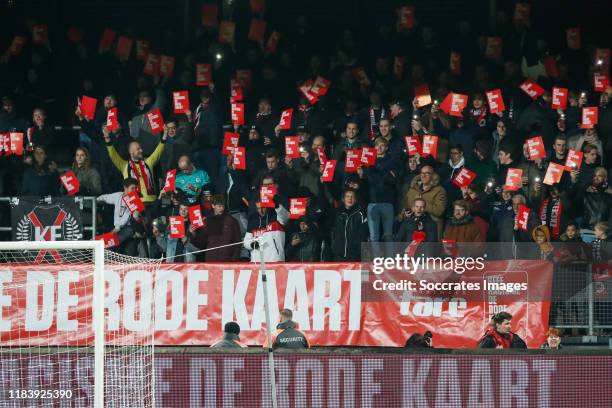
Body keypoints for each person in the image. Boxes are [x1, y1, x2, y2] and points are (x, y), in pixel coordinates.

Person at [104, 127, 166, 204]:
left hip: (152, 202)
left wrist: (165, 135)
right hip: (135, 203)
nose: (141, 151)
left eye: (141, 148)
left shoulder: (148, 162)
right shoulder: (124, 166)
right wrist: (107, 138)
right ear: (131, 152)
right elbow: (113, 155)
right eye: (138, 149)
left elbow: (158, 151)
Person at [243, 179, 290, 262]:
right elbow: (246, 242)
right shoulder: (253, 221)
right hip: (257, 262)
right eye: (258, 208)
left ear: (267, 206)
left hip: (275, 260)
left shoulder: (275, 216)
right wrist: (251, 244)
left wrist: (277, 206)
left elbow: (285, 219)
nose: (261, 210)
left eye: (263, 208)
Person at [193, 195, 242, 262]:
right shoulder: (207, 221)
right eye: (219, 206)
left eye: (223, 206)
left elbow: (238, 242)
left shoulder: (232, 221)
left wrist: (234, 260)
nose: (221, 209)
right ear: (213, 206)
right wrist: (194, 232)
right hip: (211, 260)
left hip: (228, 261)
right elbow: (200, 243)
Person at [402, 165, 447, 237]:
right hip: (413, 225)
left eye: (427, 173)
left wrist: (423, 204)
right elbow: (405, 205)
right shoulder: (413, 188)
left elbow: (439, 211)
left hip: (431, 227)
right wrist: (404, 214)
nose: (423, 176)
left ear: (433, 175)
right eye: (422, 173)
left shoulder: (439, 190)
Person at [331, 189, 368, 261]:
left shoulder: (361, 213)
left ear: (355, 200)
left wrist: (356, 251)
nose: (350, 199)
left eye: (352, 197)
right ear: (343, 199)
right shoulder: (337, 213)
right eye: (347, 196)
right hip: (338, 255)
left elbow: (362, 235)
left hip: (354, 256)